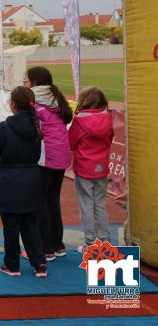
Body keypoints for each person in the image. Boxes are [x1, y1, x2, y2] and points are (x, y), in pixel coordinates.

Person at [0, 86, 47, 278]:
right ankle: (40, 264)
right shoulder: (36, 125)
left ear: (13, 104)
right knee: (31, 224)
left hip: (10, 180)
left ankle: (12, 265)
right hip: (32, 179)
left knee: (11, 226)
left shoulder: (6, 126)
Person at [23, 66, 73, 261]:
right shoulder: (56, 98)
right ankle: (57, 245)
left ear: (34, 82)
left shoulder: (33, 100)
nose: (24, 84)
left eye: (25, 81)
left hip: (46, 156)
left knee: (40, 201)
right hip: (60, 156)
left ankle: (46, 249)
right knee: (52, 200)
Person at [69, 86, 114, 253]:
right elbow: (109, 139)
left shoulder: (80, 120)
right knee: (100, 205)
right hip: (101, 167)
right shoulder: (107, 118)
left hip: (84, 168)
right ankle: (105, 240)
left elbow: (71, 143)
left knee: (86, 205)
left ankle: (90, 243)